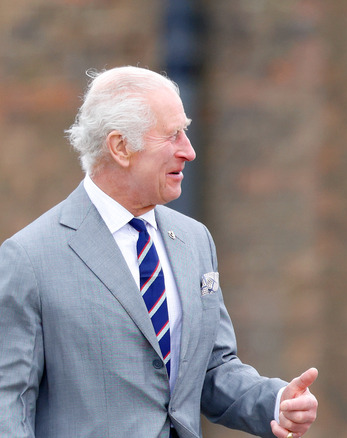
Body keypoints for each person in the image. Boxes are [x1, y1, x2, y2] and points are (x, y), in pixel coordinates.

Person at [0, 66, 318, 438]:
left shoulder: (194, 239)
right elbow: (9, 405)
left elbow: (212, 368)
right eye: (173, 135)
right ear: (120, 147)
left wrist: (275, 401)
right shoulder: (29, 258)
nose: (189, 150)